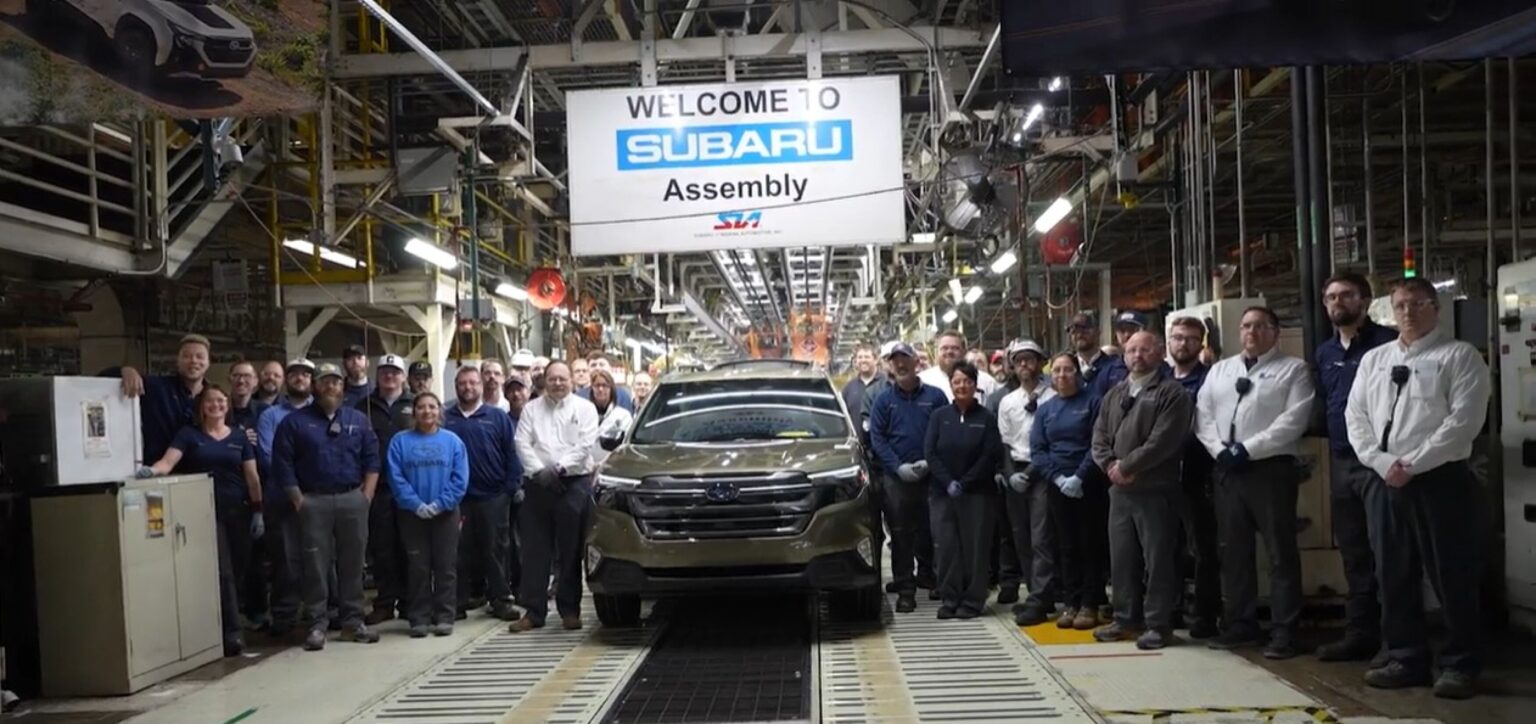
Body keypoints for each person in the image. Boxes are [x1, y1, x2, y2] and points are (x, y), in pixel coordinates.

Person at [1345, 278, 1489, 699]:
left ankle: (1460, 664)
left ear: (1436, 308)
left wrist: (1414, 464)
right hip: (1385, 478)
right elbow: (1356, 417)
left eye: (1418, 304)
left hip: (1440, 479)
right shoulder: (1374, 360)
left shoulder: (1459, 356)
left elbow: (1464, 421)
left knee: (1450, 572)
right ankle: (1405, 657)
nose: (1408, 312)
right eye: (1400, 305)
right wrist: (1381, 461)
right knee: (1392, 571)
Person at [1196, 307, 1315, 660]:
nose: (1252, 332)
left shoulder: (1294, 370)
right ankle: (1241, 624)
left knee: (1280, 552)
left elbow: (1293, 420)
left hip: (1270, 470)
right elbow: (1203, 414)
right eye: (1247, 325)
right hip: (1227, 471)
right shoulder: (1220, 370)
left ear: (1275, 332)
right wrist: (1219, 450)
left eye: (1261, 326)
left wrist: (1248, 448)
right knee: (1234, 551)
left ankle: (1285, 631)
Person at [139, 383, 262, 657]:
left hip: (238, 511)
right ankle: (232, 634)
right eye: (210, 401)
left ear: (227, 405)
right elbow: (167, 463)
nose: (215, 405)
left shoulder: (240, 437)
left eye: (221, 400)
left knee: (238, 570)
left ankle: (226, 622)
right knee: (223, 572)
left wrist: (258, 510)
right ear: (201, 407)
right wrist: (150, 471)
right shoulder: (189, 434)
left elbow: (252, 477)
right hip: (204, 512)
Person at [1090, 331, 1193, 650]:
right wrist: (1110, 465)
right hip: (1120, 492)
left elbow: (1164, 440)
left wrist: (1128, 466)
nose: (1137, 355)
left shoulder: (1172, 393)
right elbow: (1099, 436)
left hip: (1155, 490)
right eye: (1132, 350)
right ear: (1124, 356)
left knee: (1157, 559)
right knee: (1122, 559)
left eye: (1145, 350)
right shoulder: (1114, 394)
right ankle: (1125, 618)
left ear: (1160, 353)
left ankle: (1159, 624)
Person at [1314, 274, 1398, 663]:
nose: (1338, 302)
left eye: (1346, 295)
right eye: (1331, 297)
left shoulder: (1388, 344)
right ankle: (1361, 634)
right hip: (1342, 461)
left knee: (1389, 553)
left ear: (1365, 300)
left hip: (1379, 462)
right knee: (1354, 554)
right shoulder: (1324, 352)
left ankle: (1396, 641)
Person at [270, 363, 381, 651]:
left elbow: (372, 459)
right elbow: (282, 465)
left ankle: (352, 622)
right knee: (315, 565)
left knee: (353, 563)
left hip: (352, 499)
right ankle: (317, 624)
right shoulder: (294, 423)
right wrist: (299, 500)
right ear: (314, 386)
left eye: (335, 381)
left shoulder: (358, 419)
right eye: (324, 381)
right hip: (313, 501)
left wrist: (366, 497)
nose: (330, 386)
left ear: (343, 386)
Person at [512, 360, 600, 632]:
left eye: (562, 378)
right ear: (545, 381)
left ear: (571, 380)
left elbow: (585, 445)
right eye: (552, 379)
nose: (558, 383)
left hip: (573, 484)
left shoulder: (585, 409)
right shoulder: (531, 409)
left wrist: (559, 469)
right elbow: (521, 442)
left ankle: (569, 610)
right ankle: (534, 611)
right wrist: (540, 471)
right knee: (534, 551)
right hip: (538, 484)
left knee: (569, 551)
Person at [1031, 354, 1108, 630]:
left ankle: (1090, 603)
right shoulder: (1046, 409)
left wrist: (1079, 476)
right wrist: (1057, 477)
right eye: (1057, 370)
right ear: (1050, 375)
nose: (1062, 375)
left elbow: (1098, 442)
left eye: (1068, 369)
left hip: (1088, 483)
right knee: (1065, 545)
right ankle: (1071, 602)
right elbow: (1038, 449)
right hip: (1058, 485)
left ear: (1077, 372)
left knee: (1090, 543)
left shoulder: (1093, 402)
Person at [869, 342, 947, 611]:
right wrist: (897, 466)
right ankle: (905, 588)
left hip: (930, 475)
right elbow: (878, 439)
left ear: (916, 362)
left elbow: (943, 430)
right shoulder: (883, 400)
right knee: (901, 534)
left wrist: (929, 461)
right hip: (897, 479)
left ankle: (930, 575)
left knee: (931, 530)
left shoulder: (936, 396)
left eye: (905, 359)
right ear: (890, 365)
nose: (900, 364)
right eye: (895, 360)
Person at [925, 361, 1004, 619]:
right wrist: (948, 482)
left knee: (976, 548)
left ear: (975, 385)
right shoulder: (939, 416)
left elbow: (990, 454)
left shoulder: (986, 418)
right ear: (951, 385)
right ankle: (950, 598)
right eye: (957, 381)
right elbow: (930, 452)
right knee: (946, 547)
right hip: (943, 493)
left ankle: (972, 601)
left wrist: (965, 482)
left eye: (967, 381)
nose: (962, 386)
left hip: (978, 493)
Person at [386, 392, 468, 638]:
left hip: (446, 514)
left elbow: (460, 479)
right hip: (412, 515)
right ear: (414, 412)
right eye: (421, 407)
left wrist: (441, 504)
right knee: (418, 566)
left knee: (445, 566)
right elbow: (395, 477)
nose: (427, 411)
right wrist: (415, 504)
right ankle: (419, 617)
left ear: (439, 411)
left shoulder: (453, 442)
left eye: (432, 407)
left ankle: (444, 616)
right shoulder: (400, 442)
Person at [442, 367, 521, 621]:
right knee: (458, 551)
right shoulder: (446, 417)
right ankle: (458, 602)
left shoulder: (497, 417)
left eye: (473, 382)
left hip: (493, 496)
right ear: (456, 386)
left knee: (496, 550)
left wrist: (509, 489)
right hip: (457, 498)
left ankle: (501, 599)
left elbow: (512, 453)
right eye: (462, 383)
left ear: (480, 385)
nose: (468, 387)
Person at [996, 340, 1057, 622]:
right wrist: (1011, 475)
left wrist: (1031, 473)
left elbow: (1051, 442)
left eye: (1029, 359)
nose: (1023, 364)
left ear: (1041, 362)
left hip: (1043, 472)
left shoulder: (1053, 398)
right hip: (1016, 472)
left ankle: (1042, 596)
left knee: (1041, 537)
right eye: (1018, 360)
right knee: (1021, 536)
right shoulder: (1008, 402)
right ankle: (1036, 594)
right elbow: (1005, 442)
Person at [254, 358, 315, 635]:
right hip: (281, 498)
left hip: (316, 497)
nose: (300, 379)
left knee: (319, 557)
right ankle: (284, 614)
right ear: (286, 380)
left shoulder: (322, 413)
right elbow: (269, 456)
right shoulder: (270, 416)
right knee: (285, 559)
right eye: (295, 375)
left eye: (306, 375)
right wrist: (295, 485)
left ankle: (318, 612)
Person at [1168, 316, 1220, 639]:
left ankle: (1205, 615)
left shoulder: (1212, 379)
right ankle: (1170, 609)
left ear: (1200, 343)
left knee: (1203, 549)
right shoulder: (1160, 379)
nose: (1183, 343)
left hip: (1199, 476)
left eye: (1190, 338)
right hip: (1162, 477)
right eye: (1177, 337)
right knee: (1166, 547)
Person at [357, 355, 415, 626]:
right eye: (384, 372)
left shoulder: (417, 404)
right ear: (377, 375)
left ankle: (410, 602)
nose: (390, 376)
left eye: (395, 372)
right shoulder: (364, 406)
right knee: (382, 548)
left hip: (410, 489)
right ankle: (384, 603)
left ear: (403, 376)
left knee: (410, 547)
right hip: (378, 489)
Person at [116, 334, 211, 465]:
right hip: (158, 469)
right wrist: (125, 370)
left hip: (203, 469)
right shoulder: (157, 388)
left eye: (200, 357)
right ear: (178, 361)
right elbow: (103, 378)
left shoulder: (215, 397)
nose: (193, 361)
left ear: (208, 362)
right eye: (187, 356)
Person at [503, 372, 533, 595]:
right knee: (513, 542)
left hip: (536, 487)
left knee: (535, 541)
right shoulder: (503, 421)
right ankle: (519, 585)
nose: (516, 394)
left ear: (528, 392)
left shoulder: (537, 419)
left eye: (520, 389)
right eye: (511, 390)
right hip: (510, 490)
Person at [920, 331, 998, 400]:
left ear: (965, 351)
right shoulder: (923, 380)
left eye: (955, 348)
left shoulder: (986, 382)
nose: (949, 352)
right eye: (944, 348)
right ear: (938, 352)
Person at [588, 370, 633, 467]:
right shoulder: (584, 414)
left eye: (605, 385)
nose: (600, 389)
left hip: (613, 466)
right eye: (597, 385)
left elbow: (625, 446)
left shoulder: (623, 416)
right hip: (586, 467)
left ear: (611, 389)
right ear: (592, 388)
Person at [1067, 313, 1114, 397]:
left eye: (1085, 331)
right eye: (1074, 332)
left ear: (1098, 332)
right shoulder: (1065, 367)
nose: (1079, 335)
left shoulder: (1113, 367)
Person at [227, 361, 268, 447]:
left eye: (247, 376)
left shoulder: (266, 412)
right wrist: (239, 437)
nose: (241, 380)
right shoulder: (218, 410)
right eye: (236, 375)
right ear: (229, 380)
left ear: (256, 381)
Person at [840, 345, 880, 423]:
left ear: (875, 360)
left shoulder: (887, 384)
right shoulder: (849, 388)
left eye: (867, 357)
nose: (863, 360)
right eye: (860, 357)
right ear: (855, 361)